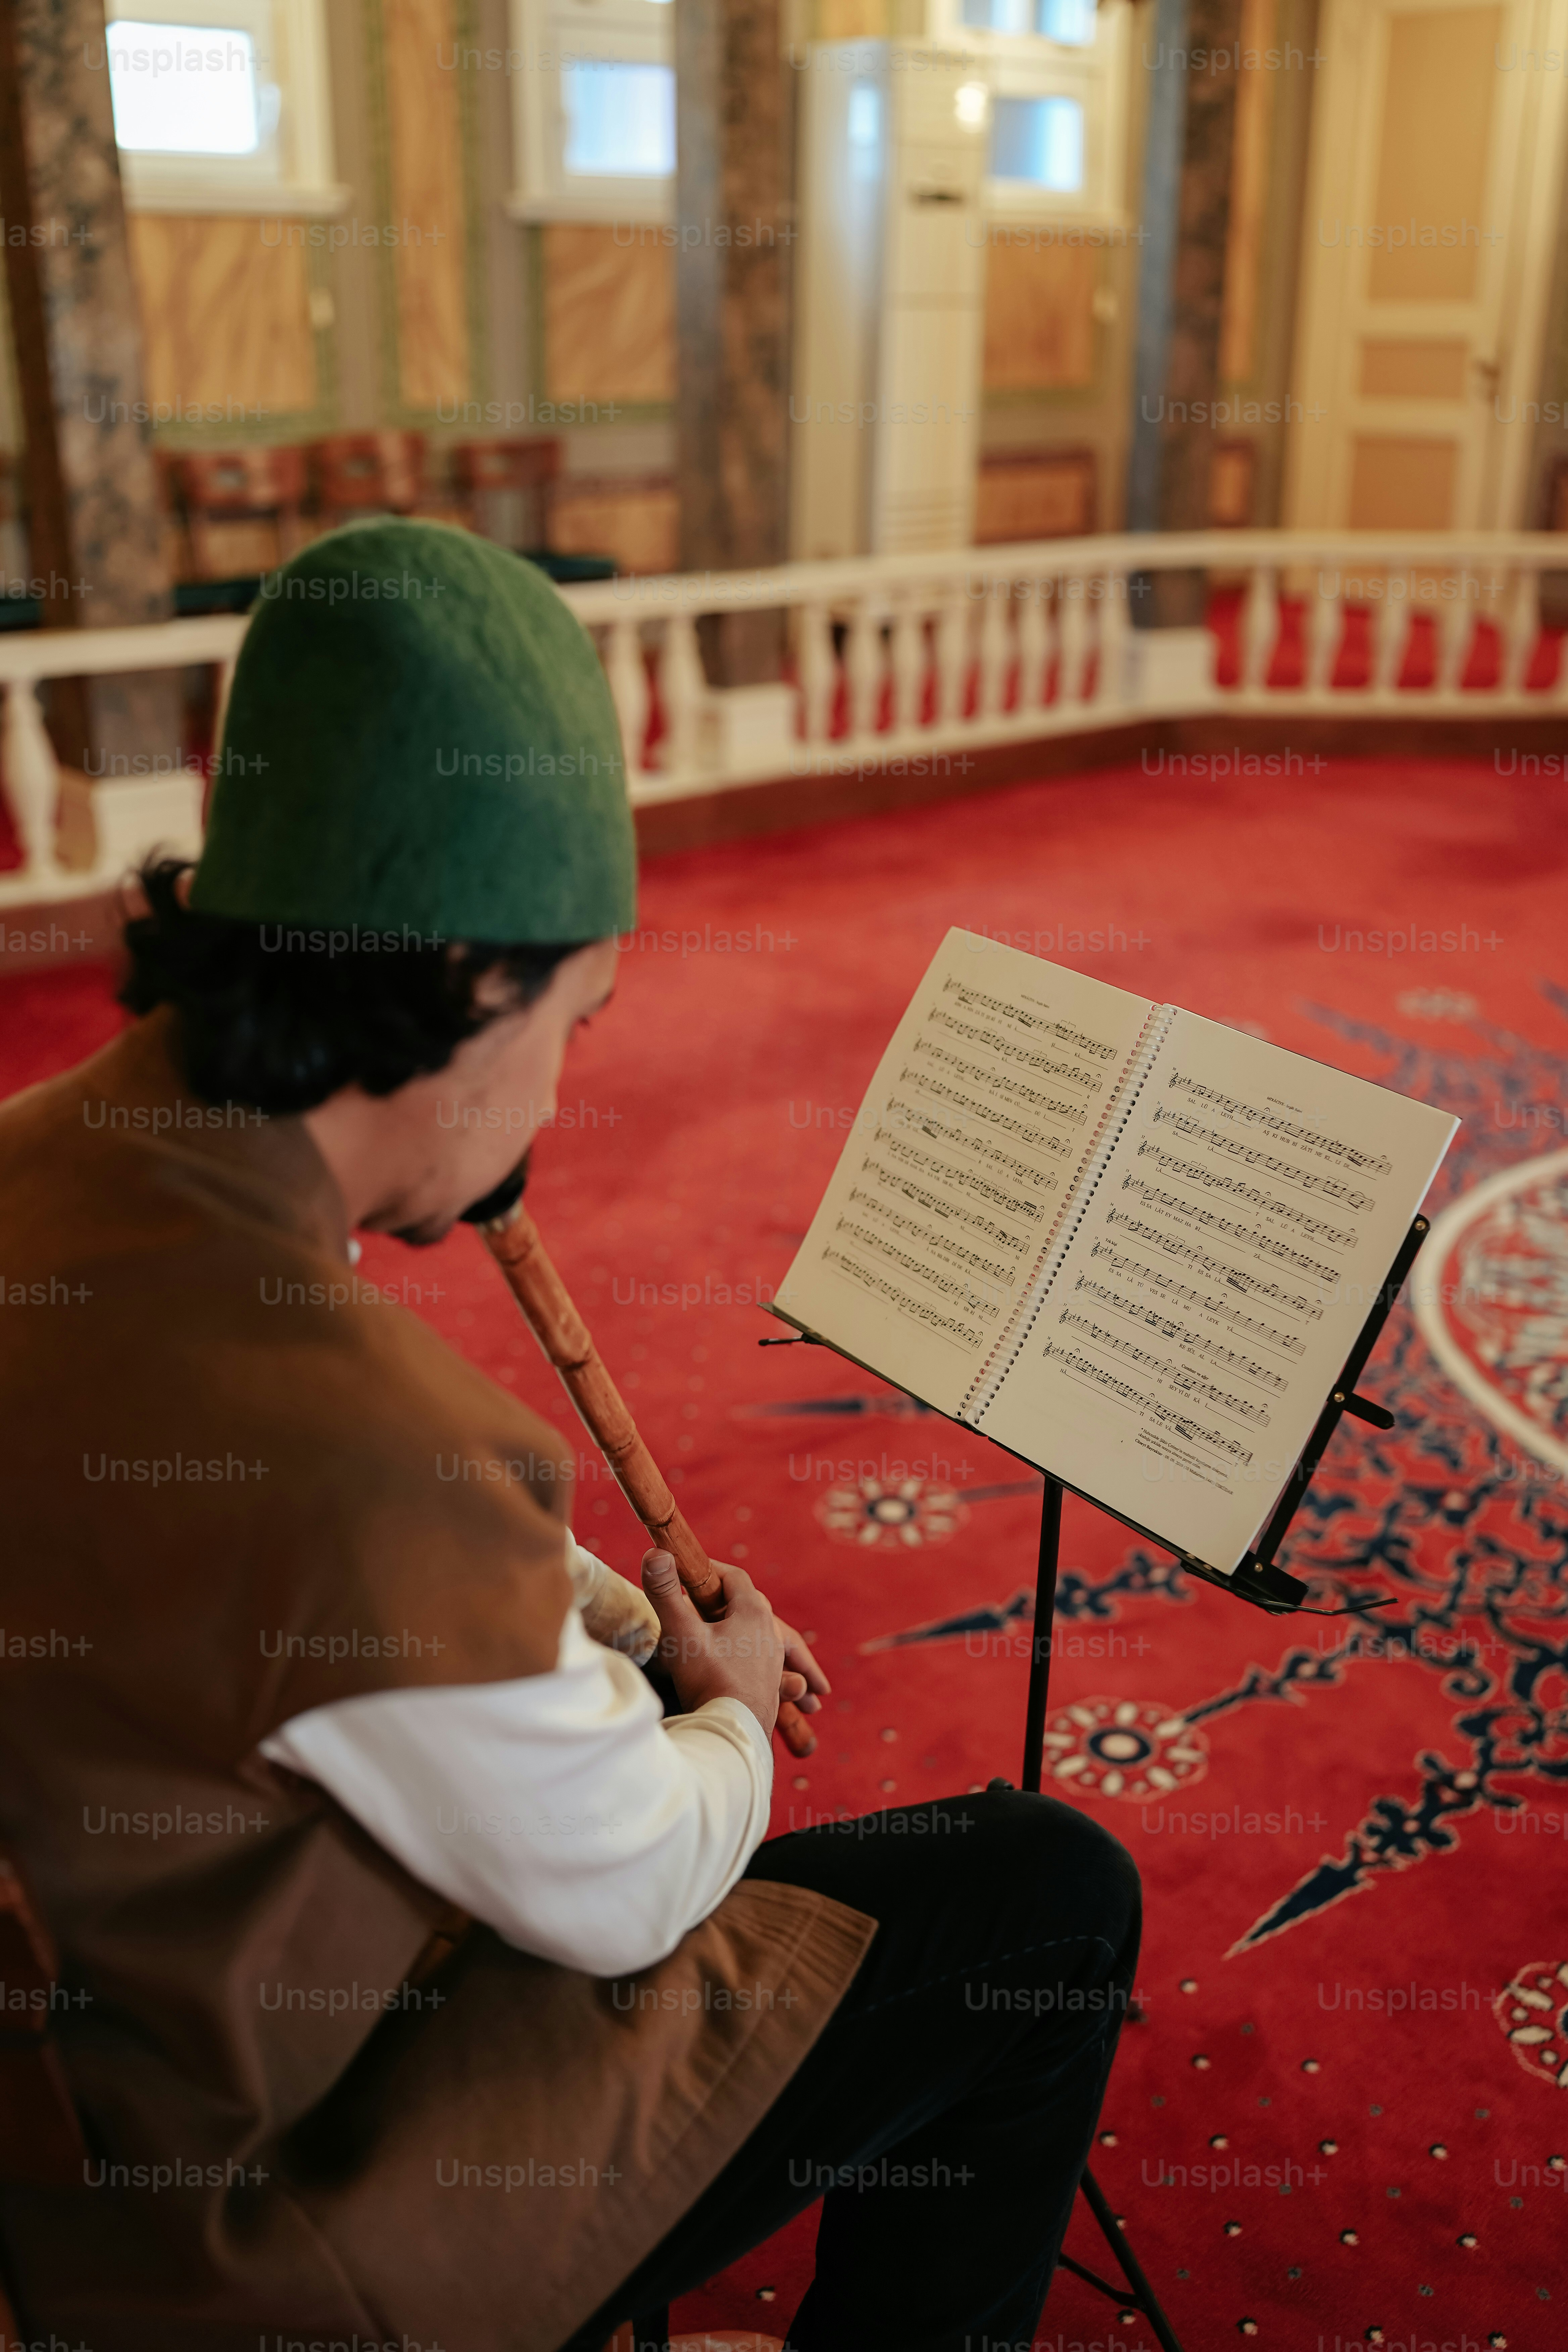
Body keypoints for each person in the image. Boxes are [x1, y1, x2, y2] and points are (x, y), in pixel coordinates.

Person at [0, 522, 1139, 2352]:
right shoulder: (365, 1454)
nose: (560, 1086)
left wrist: (586, 1610)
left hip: (89, 2046)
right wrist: (732, 1714)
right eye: (576, 1020)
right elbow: (625, 1879)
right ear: (474, 983)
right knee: (1045, 1897)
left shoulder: (48, 1160)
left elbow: (320, 1575)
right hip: (242, 2217)